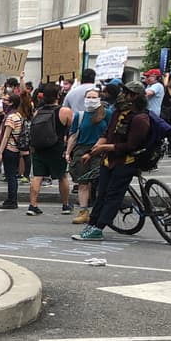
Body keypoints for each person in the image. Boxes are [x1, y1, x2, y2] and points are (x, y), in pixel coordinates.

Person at [72, 81, 151, 241]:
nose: (122, 96)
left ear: (135, 97)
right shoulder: (117, 113)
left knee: (113, 196)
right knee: (101, 194)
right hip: (109, 161)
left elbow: (130, 146)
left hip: (126, 162)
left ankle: (98, 228)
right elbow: (107, 134)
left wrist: (104, 148)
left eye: (127, 93)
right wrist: (92, 152)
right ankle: (92, 223)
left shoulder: (140, 119)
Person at [25, 83, 73, 216]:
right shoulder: (64, 111)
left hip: (39, 148)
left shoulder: (38, 112)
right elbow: (73, 129)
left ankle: (33, 205)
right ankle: (65, 205)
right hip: (57, 148)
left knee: (37, 177)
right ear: (58, 96)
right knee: (62, 176)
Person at [65, 88, 110, 225]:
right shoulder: (80, 116)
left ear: (99, 99)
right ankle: (83, 211)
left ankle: (100, 211)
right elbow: (73, 135)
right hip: (81, 150)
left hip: (100, 150)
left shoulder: (107, 113)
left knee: (99, 180)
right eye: (88, 97)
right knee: (82, 182)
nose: (91, 100)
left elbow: (111, 132)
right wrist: (68, 152)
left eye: (93, 97)